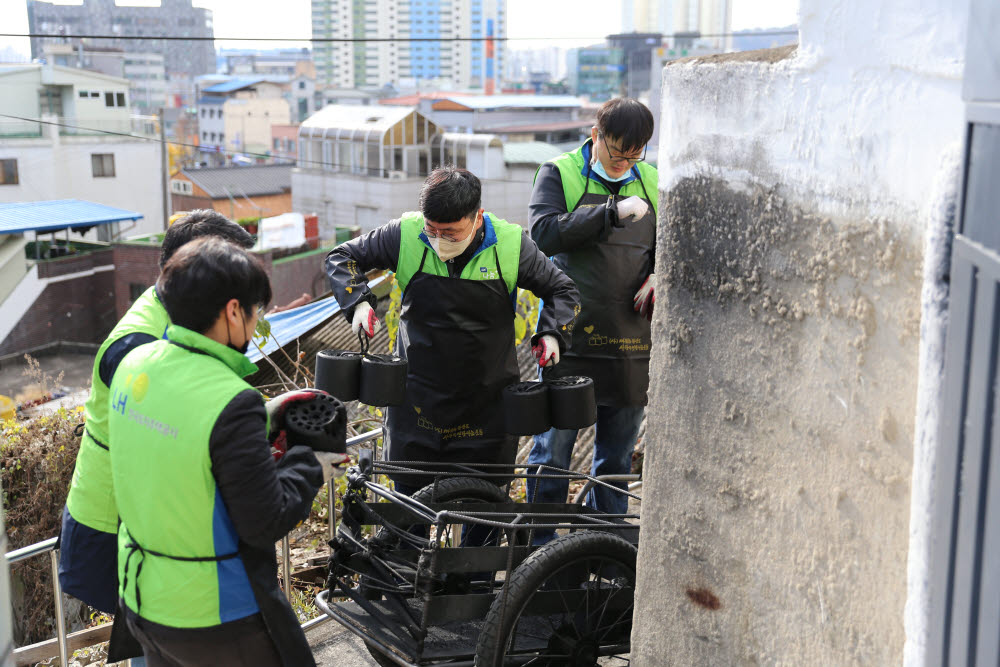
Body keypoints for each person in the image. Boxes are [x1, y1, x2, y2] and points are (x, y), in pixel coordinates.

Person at [108, 237, 345, 667]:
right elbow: (263, 520)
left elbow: (176, 449)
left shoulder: (133, 365)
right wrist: (309, 466)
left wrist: (259, 426)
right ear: (233, 311)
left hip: (141, 600)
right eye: (257, 312)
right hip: (215, 617)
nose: (256, 324)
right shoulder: (231, 401)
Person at [325, 166, 579, 494]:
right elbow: (341, 256)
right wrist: (358, 302)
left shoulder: (511, 244)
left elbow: (563, 290)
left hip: (486, 407)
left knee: (483, 518)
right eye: (432, 230)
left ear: (478, 217)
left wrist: (551, 333)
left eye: (451, 233)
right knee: (408, 515)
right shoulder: (404, 234)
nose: (439, 241)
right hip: (416, 402)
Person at [59, 210, 254, 620]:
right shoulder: (135, 346)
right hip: (116, 522)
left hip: (147, 517)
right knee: (149, 637)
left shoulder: (185, 318)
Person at [525, 98, 659, 543]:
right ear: (597, 136)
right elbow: (543, 234)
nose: (624, 164)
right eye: (617, 152)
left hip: (630, 343)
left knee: (615, 460)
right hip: (569, 336)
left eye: (634, 154)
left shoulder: (652, 179)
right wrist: (610, 213)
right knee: (553, 452)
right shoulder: (558, 172)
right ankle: (540, 554)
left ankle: (604, 550)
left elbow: (668, 241)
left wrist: (661, 271)